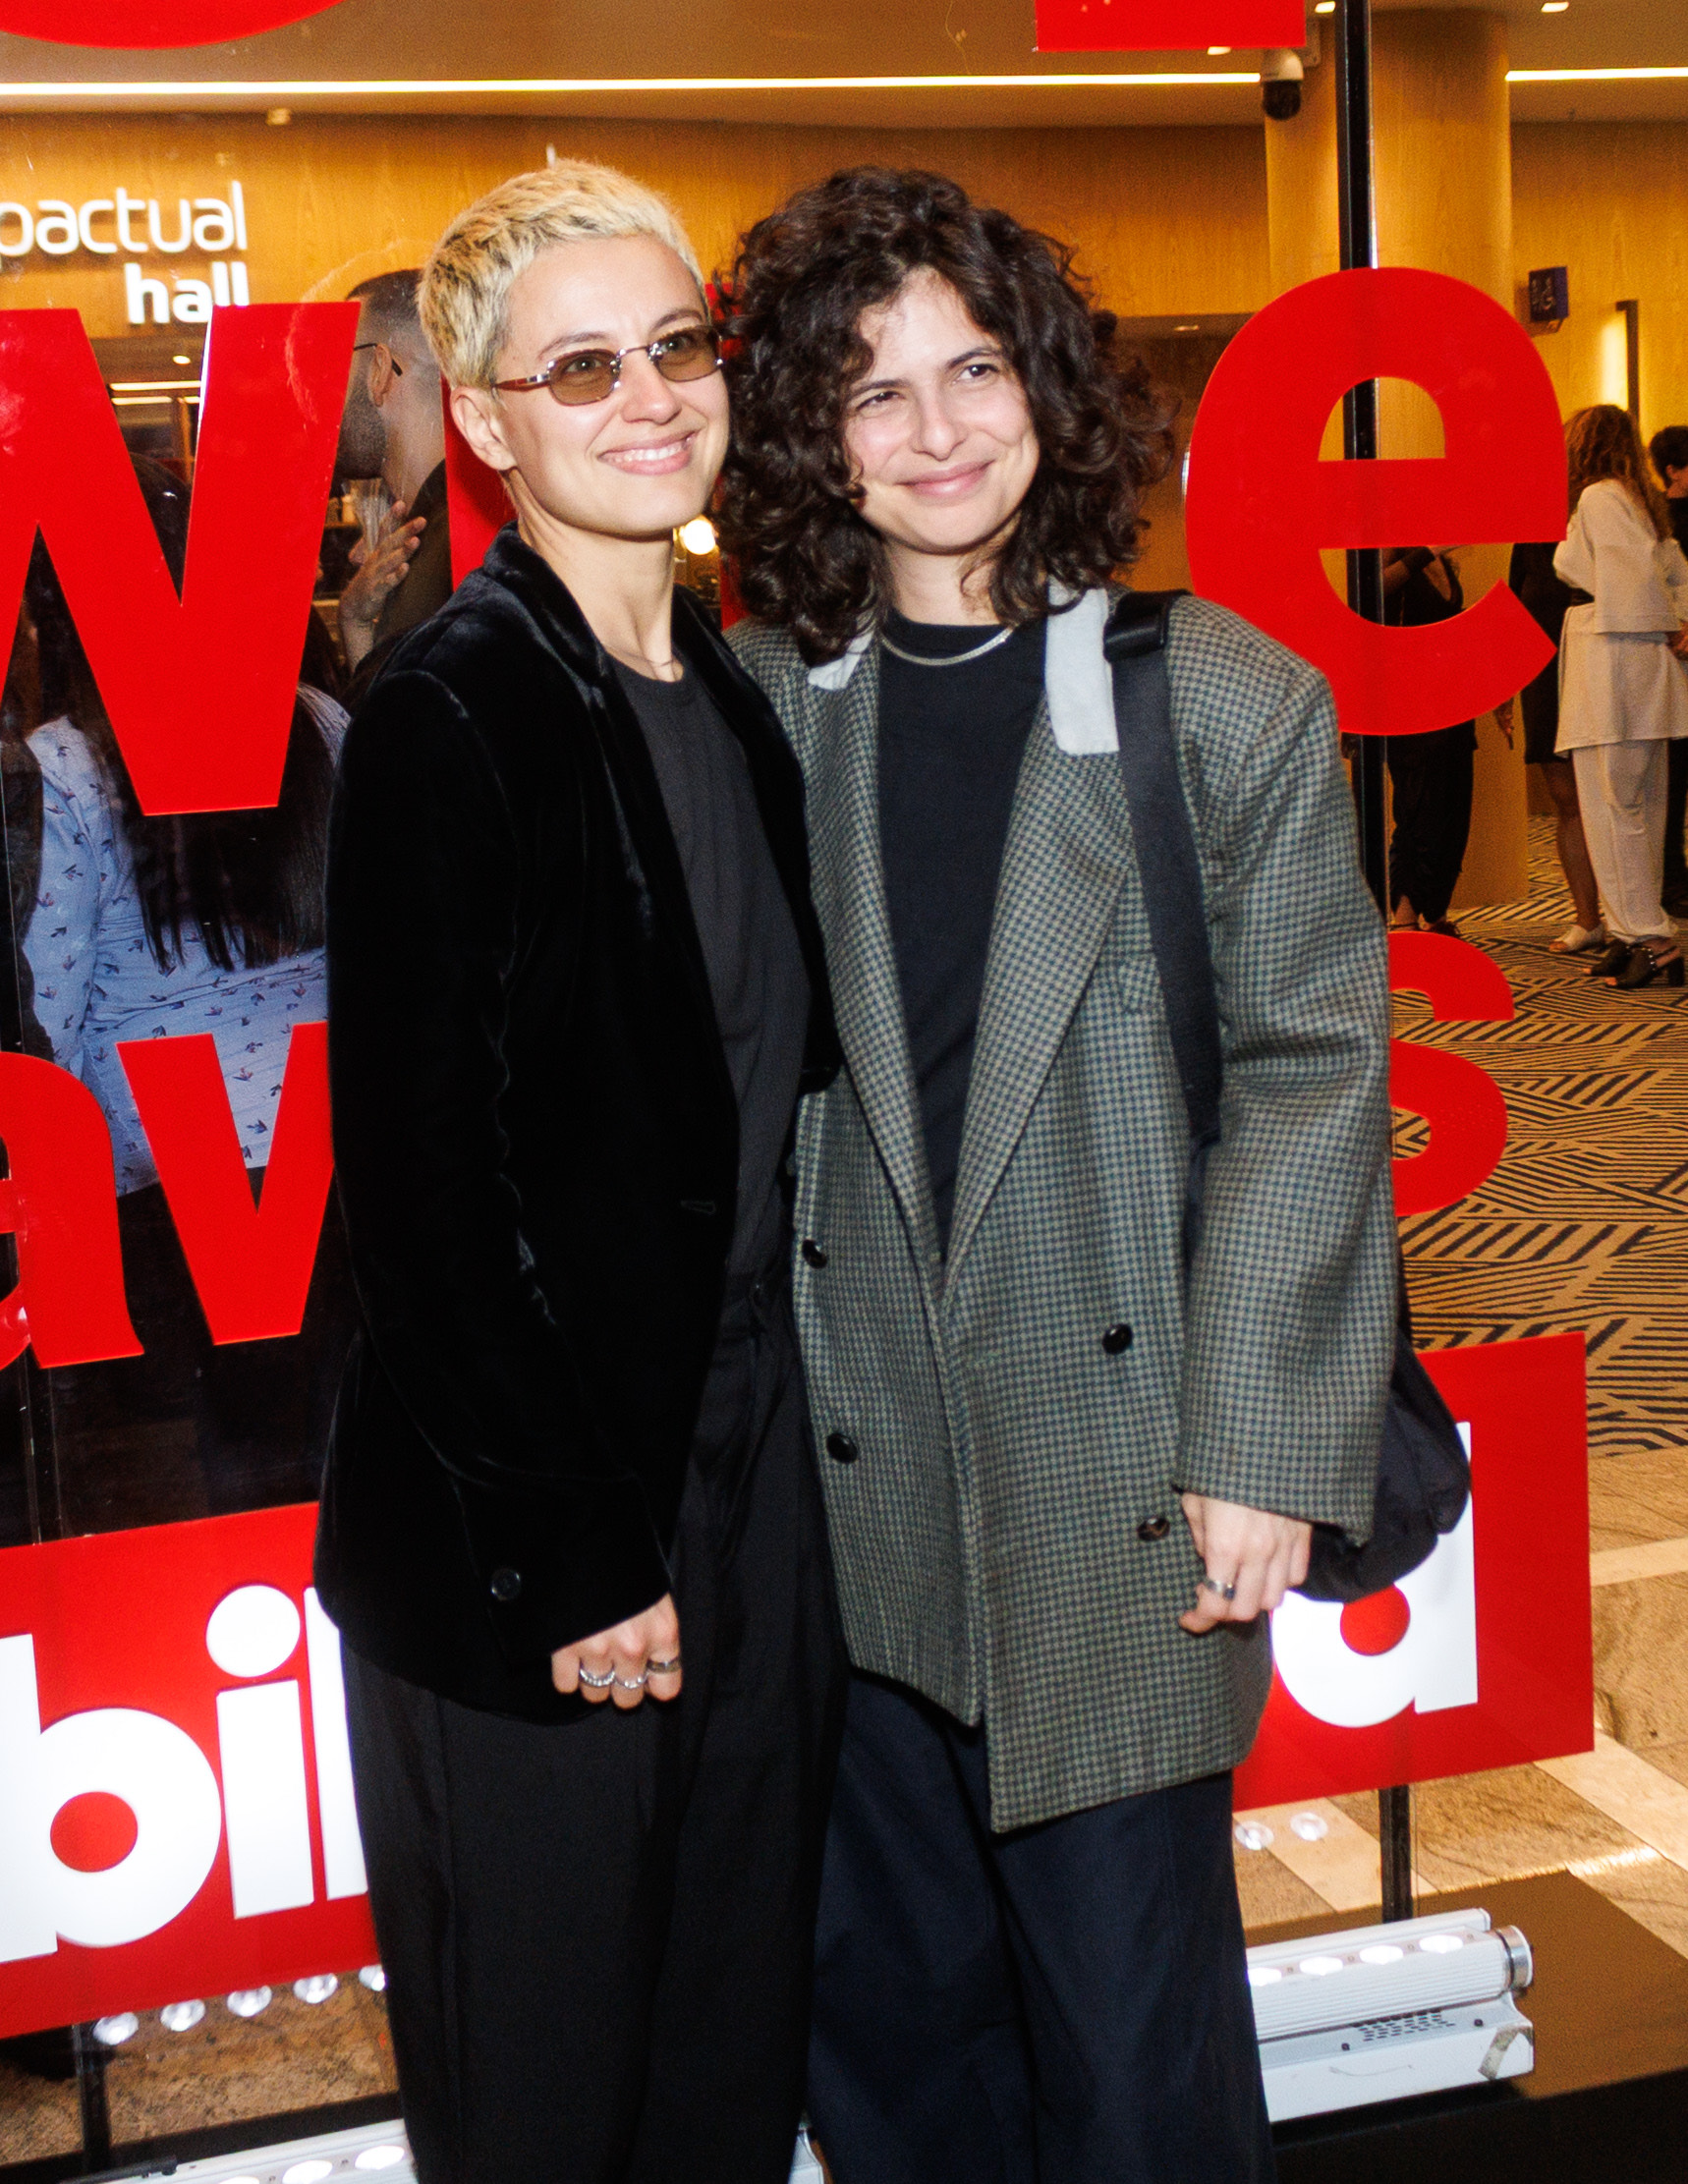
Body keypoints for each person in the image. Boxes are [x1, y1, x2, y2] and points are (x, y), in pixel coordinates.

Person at [718, 166, 1396, 2184]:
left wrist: (1263, 1435)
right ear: (811, 444)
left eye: (974, 370)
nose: (937, 431)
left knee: (1131, 2071)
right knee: (898, 2058)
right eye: (873, 392)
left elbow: (1311, 1065)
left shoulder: (1222, 703)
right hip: (849, 1509)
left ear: (1048, 391)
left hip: (1122, 1491)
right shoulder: (767, 713)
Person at [314, 162, 845, 2184]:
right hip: (537, 1545)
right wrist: (581, 1546)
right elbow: (425, 1205)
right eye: (583, 364)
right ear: (484, 419)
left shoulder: (725, 687)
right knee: (549, 2103)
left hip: (747, 1492)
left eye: (678, 346)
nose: (650, 396)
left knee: (724, 2064)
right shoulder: (453, 709)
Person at [20, 456, 355, 1529]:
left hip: (171, 1177)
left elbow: (53, 1002)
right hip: (325, 1143)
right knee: (334, 1446)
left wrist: (55, 1193)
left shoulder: (69, 763)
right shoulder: (314, 720)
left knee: (219, 1480)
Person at [1554, 404, 1688, 989]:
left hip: (1619, 666)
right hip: (1619, 663)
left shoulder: (1601, 497)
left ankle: (1653, 939)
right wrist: (1676, 621)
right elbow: (1672, 574)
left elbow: (1639, 586)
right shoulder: (1639, 500)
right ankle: (1632, 930)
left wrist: (1667, 624)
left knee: (1622, 807)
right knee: (1625, 806)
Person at [333, 268, 453, 704]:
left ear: (380, 370)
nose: (327, 393)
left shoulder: (452, 548)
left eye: (337, 364)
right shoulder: (424, 536)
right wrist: (356, 622)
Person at [1497, 540, 1603, 952]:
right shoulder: (1527, 540)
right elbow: (1511, 609)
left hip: (1595, 668)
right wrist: (1504, 684)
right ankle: (1588, 918)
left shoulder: (1596, 517)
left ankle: (1630, 916)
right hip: (1543, 676)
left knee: (1611, 799)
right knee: (1566, 797)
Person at [1381, 547, 1476, 935]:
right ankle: (1404, 914)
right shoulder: (1393, 552)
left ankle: (1436, 909)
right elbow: (1370, 590)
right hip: (1409, 704)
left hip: (1453, 702)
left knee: (1453, 811)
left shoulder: (1447, 562)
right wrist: (1423, 553)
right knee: (1417, 808)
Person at [1649, 422, 1688, 912]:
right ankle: (1671, 882)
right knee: (1671, 779)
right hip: (1673, 661)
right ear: (1674, 471)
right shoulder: (1660, 521)